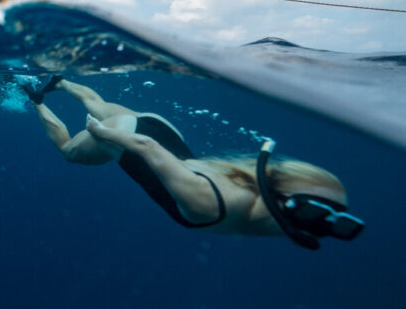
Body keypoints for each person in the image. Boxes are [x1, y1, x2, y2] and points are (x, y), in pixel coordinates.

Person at [23, 76, 365, 249]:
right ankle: (35, 97)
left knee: (99, 101)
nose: (312, 227)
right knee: (69, 152)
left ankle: (59, 81)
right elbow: (147, 149)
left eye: (317, 224)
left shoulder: (248, 182)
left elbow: (157, 148)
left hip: (164, 131)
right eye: (312, 219)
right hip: (136, 141)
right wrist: (104, 133)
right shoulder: (214, 205)